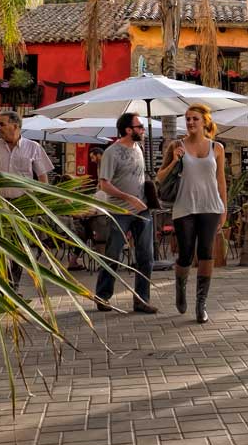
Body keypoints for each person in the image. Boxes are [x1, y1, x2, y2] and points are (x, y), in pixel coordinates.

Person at [157, 104, 226, 324]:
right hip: (184, 207)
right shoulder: (176, 146)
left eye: (195, 119)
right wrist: (176, 160)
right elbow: (160, 177)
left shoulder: (217, 148)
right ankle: (180, 286)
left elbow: (221, 181)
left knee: (206, 253)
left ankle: (201, 304)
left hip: (210, 207)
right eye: (187, 119)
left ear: (205, 121)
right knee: (186, 254)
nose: (190, 122)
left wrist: (223, 209)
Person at [95, 112, 157, 314]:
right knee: (113, 254)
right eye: (139, 127)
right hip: (119, 211)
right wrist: (129, 198)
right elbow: (104, 185)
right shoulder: (111, 152)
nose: (143, 130)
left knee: (146, 256)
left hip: (142, 211)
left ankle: (141, 299)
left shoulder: (139, 148)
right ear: (128, 130)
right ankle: (102, 296)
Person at [0, 110, 55, 289]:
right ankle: (2, 283)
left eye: (2, 124)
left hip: (22, 206)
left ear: (15, 126)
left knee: (19, 247)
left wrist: (41, 203)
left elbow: (43, 178)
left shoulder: (33, 147)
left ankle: (13, 285)